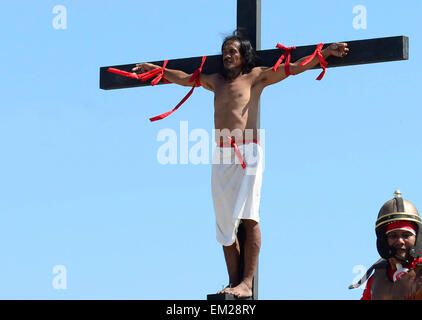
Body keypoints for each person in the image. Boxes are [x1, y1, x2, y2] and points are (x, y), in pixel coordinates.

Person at [133, 32, 349, 298]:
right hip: (222, 151)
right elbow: (184, 77)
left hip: (248, 149)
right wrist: (158, 70)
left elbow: (294, 68)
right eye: (225, 50)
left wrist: (325, 53)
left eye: (233, 50)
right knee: (224, 224)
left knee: (249, 215)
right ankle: (234, 282)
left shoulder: (256, 76)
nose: (228, 54)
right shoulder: (216, 80)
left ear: (243, 54)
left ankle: (247, 283)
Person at [349, 190, 422, 300]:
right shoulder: (376, 279)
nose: (400, 241)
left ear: (417, 237)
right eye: (393, 236)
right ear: (384, 240)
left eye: (406, 235)